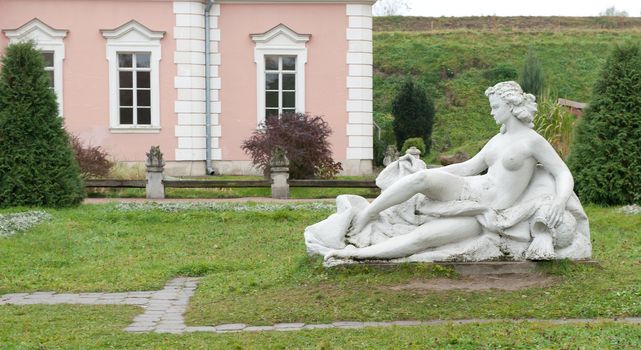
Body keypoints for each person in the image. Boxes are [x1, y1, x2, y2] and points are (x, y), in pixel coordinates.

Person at [325, 81, 574, 261]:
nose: (491, 111)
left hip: (491, 212)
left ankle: (354, 254)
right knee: (420, 178)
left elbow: (562, 172)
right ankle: (368, 214)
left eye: (495, 106)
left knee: (422, 239)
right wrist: (432, 172)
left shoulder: (532, 141)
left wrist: (560, 202)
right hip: (469, 190)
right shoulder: (497, 140)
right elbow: (468, 168)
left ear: (510, 106)